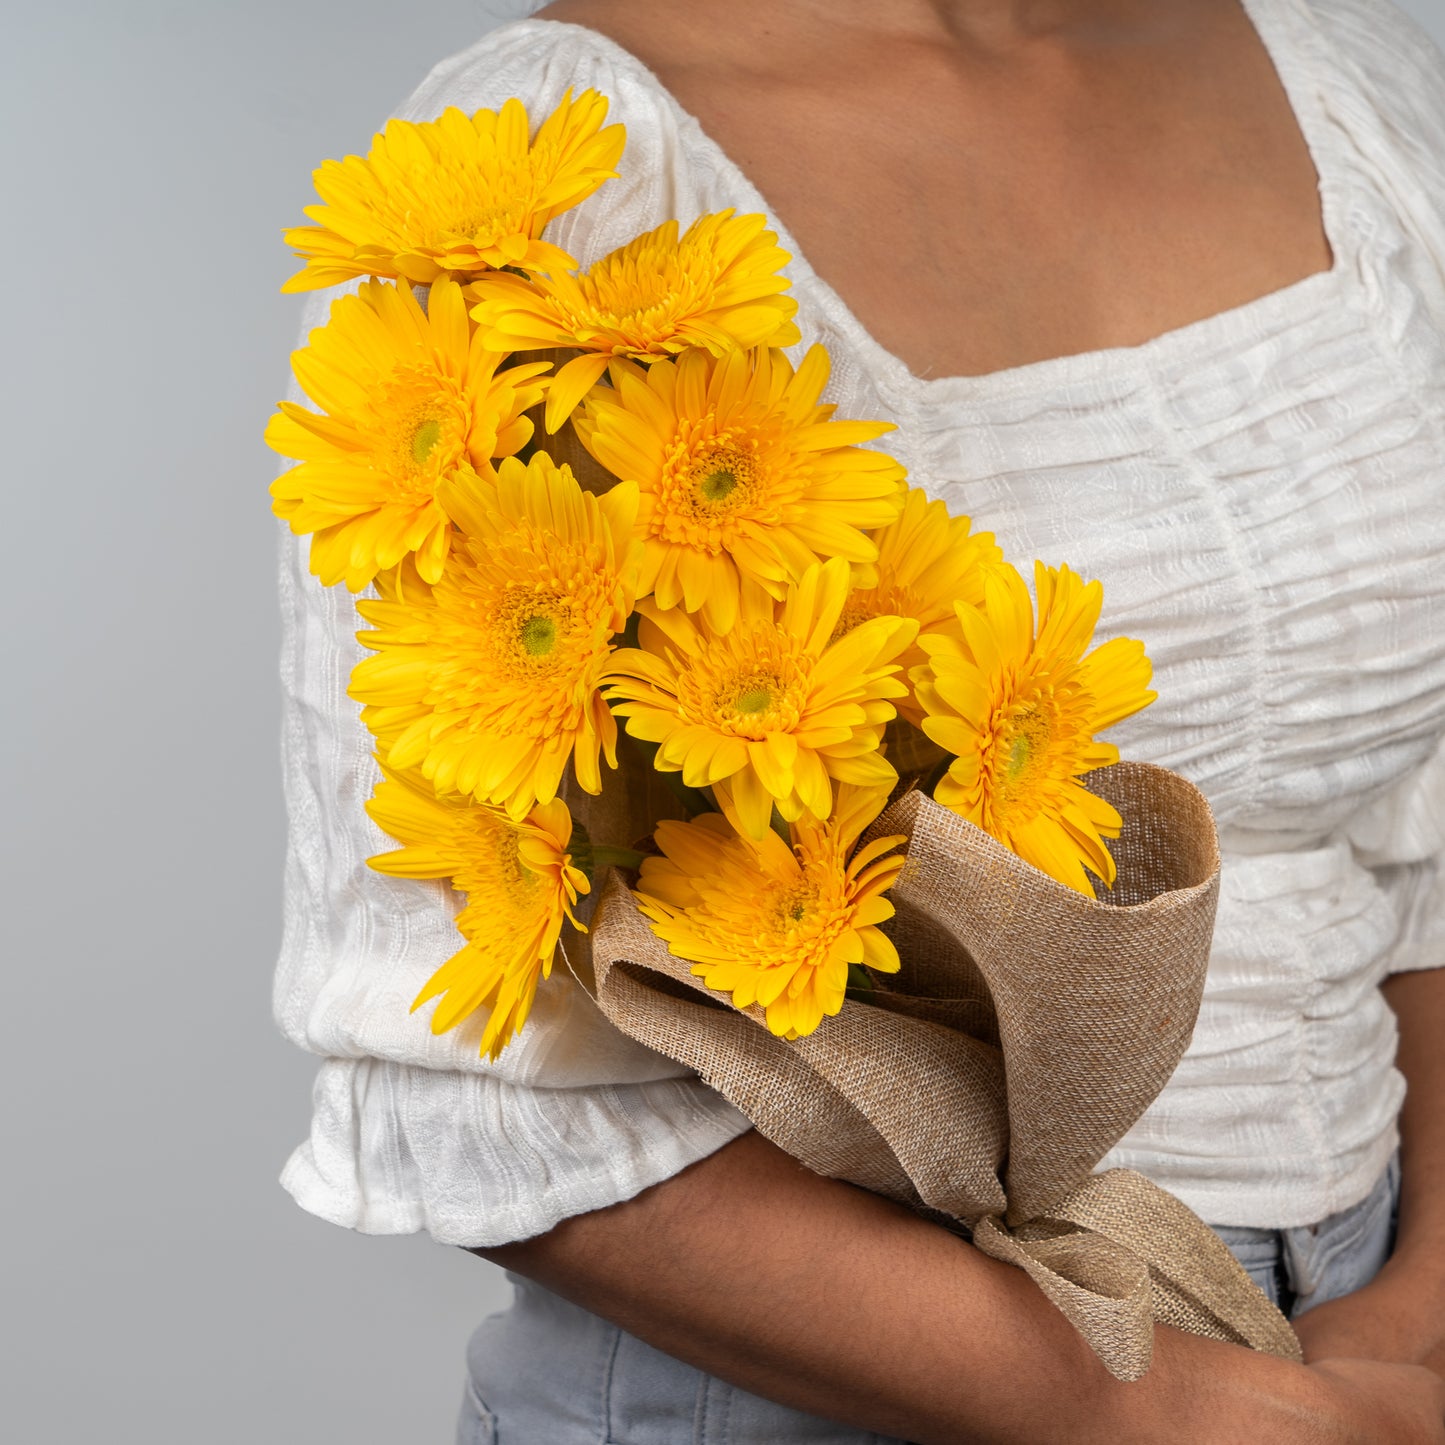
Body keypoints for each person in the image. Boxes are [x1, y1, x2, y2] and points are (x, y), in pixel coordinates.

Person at [271, 0, 1445, 1439]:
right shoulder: (541, 188)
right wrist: (1148, 1407)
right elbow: (487, 1101)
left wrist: (1407, 1323)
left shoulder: (1357, 79)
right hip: (826, 1390)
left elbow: (1419, 838)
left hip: (1370, 1325)